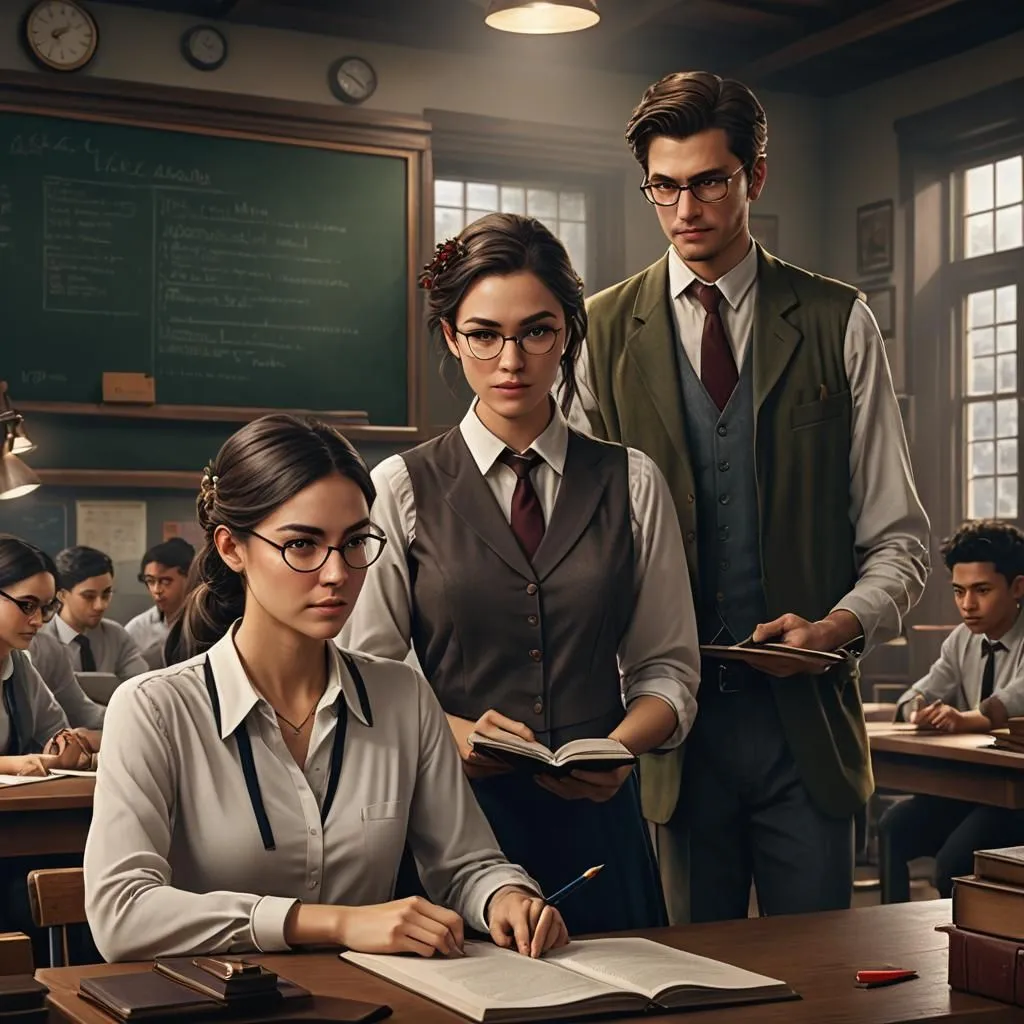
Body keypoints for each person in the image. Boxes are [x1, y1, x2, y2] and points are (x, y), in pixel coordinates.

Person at [572, 70, 930, 923]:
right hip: (668, 742)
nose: (686, 208)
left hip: (806, 731)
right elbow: (582, 546)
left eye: (709, 182)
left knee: (827, 985)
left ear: (754, 177)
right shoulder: (599, 330)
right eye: (665, 187)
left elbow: (901, 541)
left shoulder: (838, 320)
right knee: (692, 982)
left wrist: (835, 629)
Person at [83, 413, 567, 963]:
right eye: (302, 545)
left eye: (355, 542)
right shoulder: (153, 709)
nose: (338, 573)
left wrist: (504, 897)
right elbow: (120, 914)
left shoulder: (402, 696)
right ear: (231, 548)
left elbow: (466, 865)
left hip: (378, 1003)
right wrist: (336, 923)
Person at [341, 213, 700, 936]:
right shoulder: (399, 486)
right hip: (452, 829)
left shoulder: (632, 481)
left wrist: (623, 746)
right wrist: (450, 734)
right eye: (484, 335)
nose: (511, 360)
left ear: (568, 332)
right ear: (452, 337)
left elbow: (668, 668)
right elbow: (361, 675)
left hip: (602, 827)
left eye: (536, 332)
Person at [881, 520, 1024, 901]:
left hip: (1018, 794)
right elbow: (919, 693)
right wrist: (918, 712)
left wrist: (964, 719)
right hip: (979, 786)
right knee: (894, 828)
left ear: (1018, 587)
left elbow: (1013, 701)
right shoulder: (961, 639)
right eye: (959, 591)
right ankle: (888, 937)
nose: (967, 605)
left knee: (953, 864)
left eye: (982, 590)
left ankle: (959, 952)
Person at [0, 534, 97, 963]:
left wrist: (66, 750)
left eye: (45, 607)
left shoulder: (18, 664)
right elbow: (22, 760)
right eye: (26, 605)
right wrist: (12, 763)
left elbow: (54, 733)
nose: (38, 619)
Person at [39, 546, 149, 682]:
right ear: (61, 595)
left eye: (106, 594)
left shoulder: (116, 636)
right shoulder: (39, 640)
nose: (100, 605)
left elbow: (142, 684)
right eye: (89, 596)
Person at [125, 538, 195, 669]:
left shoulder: (204, 622)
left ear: (188, 577)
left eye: (166, 581)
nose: (157, 590)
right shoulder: (137, 629)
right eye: (150, 581)